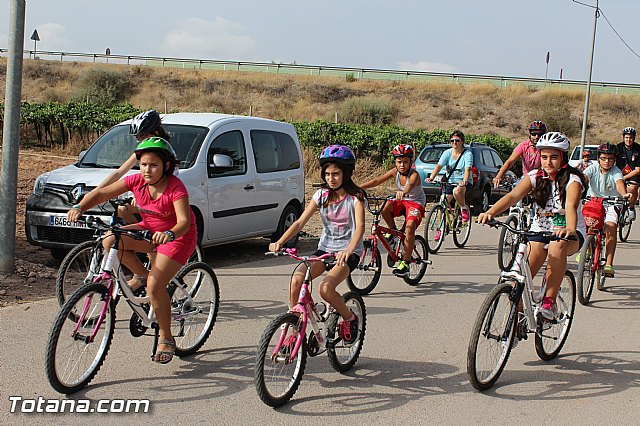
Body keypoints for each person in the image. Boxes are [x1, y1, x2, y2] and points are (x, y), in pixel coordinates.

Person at [67, 137, 197, 364]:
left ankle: (166, 337)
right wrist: (80, 206)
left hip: (177, 238)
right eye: (144, 164)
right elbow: (102, 193)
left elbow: (184, 221)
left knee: (155, 287)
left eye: (153, 165)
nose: (147, 170)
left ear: (166, 166)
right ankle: (141, 274)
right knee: (110, 240)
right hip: (148, 231)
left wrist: (170, 234)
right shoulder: (136, 180)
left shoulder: (176, 188)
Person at [478, 132, 587, 320]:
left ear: (563, 157)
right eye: (544, 157)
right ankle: (515, 324)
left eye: (554, 157)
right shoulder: (535, 176)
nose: (548, 162)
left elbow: (570, 206)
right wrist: (491, 212)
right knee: (517, 281)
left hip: (569, 233)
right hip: (540, 230)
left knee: (557, 245)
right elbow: (512, 196)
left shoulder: (573, 180)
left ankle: (549, 302)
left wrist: (569, 228)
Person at [269, 144, 365, 344]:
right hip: (325, 250)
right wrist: (279, 241)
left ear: (346, 174)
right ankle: (293, 328)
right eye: (327, 174)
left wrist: (348, 251)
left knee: (325, 289)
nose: (331, 178)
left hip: (348, 253)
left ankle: (349, 317)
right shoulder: (320, 196)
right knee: (297, 280)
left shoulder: (355, 198)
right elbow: (299, 222)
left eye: (336, 174)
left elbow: (360, 228)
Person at [360, 144, 426, 277]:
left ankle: (406, 263)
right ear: (395, 162)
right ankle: (393, 231)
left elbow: (410, 185)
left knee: (409, 227)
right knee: (384, 208)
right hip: (401, 201)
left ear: (410, 162)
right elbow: (377, 180)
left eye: (405, 162)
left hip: (415, 203)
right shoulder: (395, 172)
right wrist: (357, 187)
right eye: (399, 162)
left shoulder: (414, 174)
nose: (402, 165)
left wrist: (403, 192)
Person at [97, 110, 171, 225]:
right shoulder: (144, 149)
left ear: (155, 133)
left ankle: (147, 237)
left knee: (124, 210)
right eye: (138, 137)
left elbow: (162, 177)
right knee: (123, 210)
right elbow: (119, 172)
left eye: (143, 136)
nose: (140, 140)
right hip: (151, 194)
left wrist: (142, 194)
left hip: (165, 195)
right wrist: (96, 192)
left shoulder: (163, 150)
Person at [581, 143, 630, 278]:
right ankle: (588, 249)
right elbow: (583, 179)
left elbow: (619, 184)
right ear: (598, 158)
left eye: (610, 158)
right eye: (603, 158)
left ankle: (608, 264)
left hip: (612, 202)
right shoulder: (592, 168)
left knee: (611, 227)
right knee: (589, 225)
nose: (606, 161)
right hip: (594, 201)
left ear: (614, 159)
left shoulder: (616, 171)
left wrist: (624, 194)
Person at [426, 130, 473, 227]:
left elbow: (468, 169)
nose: (454, 143)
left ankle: (463, 208)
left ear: (462, 141)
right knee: (442, 203)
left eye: (457, 140)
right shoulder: (447, 153)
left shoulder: (467, 154)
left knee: (457, 191)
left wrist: (464, 181)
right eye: (452, 141)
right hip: (449, 181)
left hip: (463, 182)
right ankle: (441, 227)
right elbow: (439, 166)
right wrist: (431, 178)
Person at [493, 120, 546, 187]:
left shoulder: (547, 147)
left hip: (543, 178)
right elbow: (510, 161)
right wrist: (499, 176)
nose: (537, 137)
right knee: (515, 190)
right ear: (529, 134)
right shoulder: (523, 146)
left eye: (540, 134)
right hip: (526, 178)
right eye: (533, 134)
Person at [616, 127, 640, 221]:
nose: (628, 140)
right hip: (619, 174)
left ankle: (631, 208)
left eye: (630, 138)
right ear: (623, 137)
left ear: (633, 138)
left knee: (632, 187)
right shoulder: (618, 148)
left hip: (633, 175)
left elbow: (638, 170)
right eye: (626, 137)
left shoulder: (638, 149)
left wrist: (624, 177)